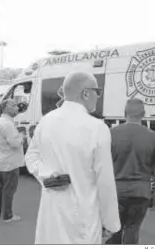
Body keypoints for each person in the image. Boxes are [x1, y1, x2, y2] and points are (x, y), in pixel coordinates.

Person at [24, 71, 121, 244]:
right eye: (97, 92)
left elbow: (31, 157)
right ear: (86, 93)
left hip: (51, 216)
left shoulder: (46, 121)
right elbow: (105, 181)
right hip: (83, 219)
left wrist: (47, 174)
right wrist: (111, 224)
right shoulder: (97, 128)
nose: (98, 97)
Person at [106, 98, 155, 244]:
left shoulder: (110, 134)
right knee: (132, 229)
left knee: (114, 229)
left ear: (124, 113)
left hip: (115, 191)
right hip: (141, 193)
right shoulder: (152, 137)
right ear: (144, 114)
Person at [0, 99, 25, 222]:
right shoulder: (7, 124)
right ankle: (7, 215)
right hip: (10, 162)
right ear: (6, 107)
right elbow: (14, 143)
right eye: (14, 105)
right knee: (9, 189)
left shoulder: (1, 121)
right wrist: (22, 137)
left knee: (0, 187)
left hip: (1, 160)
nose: (17, 107)